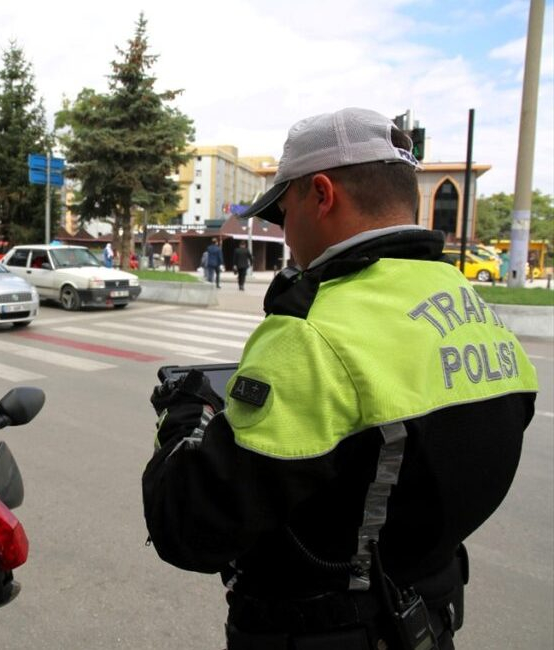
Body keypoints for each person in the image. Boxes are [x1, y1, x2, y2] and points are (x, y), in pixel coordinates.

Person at [142, 108, 538, 650]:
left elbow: (188, 527)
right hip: (427, 616)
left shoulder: (313, 331)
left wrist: (183, 416)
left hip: (323, 631)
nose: (285, 237)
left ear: (321, 195)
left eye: (283, 213)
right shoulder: (472, 305)